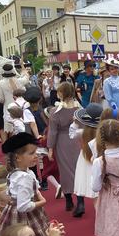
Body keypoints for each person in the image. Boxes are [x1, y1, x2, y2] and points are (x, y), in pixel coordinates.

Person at [0, 132, 49, 236]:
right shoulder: (24, 177)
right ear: (18, 158)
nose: (35, 156)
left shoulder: (17, 173)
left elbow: (11, 193)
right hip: (25, 217)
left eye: (35, 152)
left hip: (11, 212)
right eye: (31, 153)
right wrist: (42, 202)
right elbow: (23, 206)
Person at [48, 82, 82, 213]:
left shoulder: (55, 111)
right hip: (77, 140)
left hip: (62, 141)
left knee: (65, 171)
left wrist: (50, 148)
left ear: (61, 93)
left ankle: (69, 201)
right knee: (78, 170)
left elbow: (52, 131)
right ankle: (80, 201)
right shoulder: (79, 108)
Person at [69, 103, 103, 217]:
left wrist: (75, 122)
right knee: (99, 190)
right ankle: (100, 214)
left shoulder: (82, 132)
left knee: (86, 183)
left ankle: (82, 205)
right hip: (98, 160)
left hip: (84, 160)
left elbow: (72, 134)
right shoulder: (102, 133)